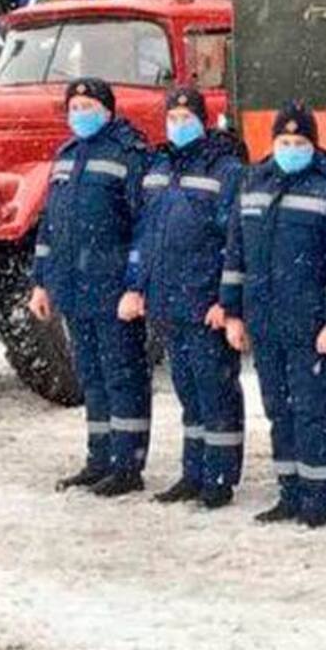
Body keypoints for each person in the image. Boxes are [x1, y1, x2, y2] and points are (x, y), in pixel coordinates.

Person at [219, 101, 326, 528]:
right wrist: (233, 313)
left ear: (313, 144)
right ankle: (290, 493)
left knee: (312, 411)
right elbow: (236, 254)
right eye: (283, 141)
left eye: (298, 141)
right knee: (278, 409)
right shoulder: (254, 183)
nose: (290, 148)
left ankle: (318, 501)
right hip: (266, 322)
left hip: (311, 327)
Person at [118, 87, 247, 509]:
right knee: (189, 393)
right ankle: (193, 474)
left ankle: (219, 478)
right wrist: (136, 285)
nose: (178, 123)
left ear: (203, 119)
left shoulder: (225, 168)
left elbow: (233, 240)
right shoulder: (158, 165)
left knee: (215, 392)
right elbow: (144, 234)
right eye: (172, 116)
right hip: (167, 301)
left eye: (185, 116)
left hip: (203, 301)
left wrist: (225, 300)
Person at [31, 77, 153, 496]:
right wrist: (40, 283)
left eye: (88, 106)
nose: (79, 113)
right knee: (93, 377)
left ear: (107, 110)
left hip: (112, 288)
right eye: (74, 106)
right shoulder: (66, 156)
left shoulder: (128, 154)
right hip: (73, 288)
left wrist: (135, 286)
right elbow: (51, 225)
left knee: (122, 376)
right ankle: (99, 458)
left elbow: (144, 226)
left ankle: (127, 465)